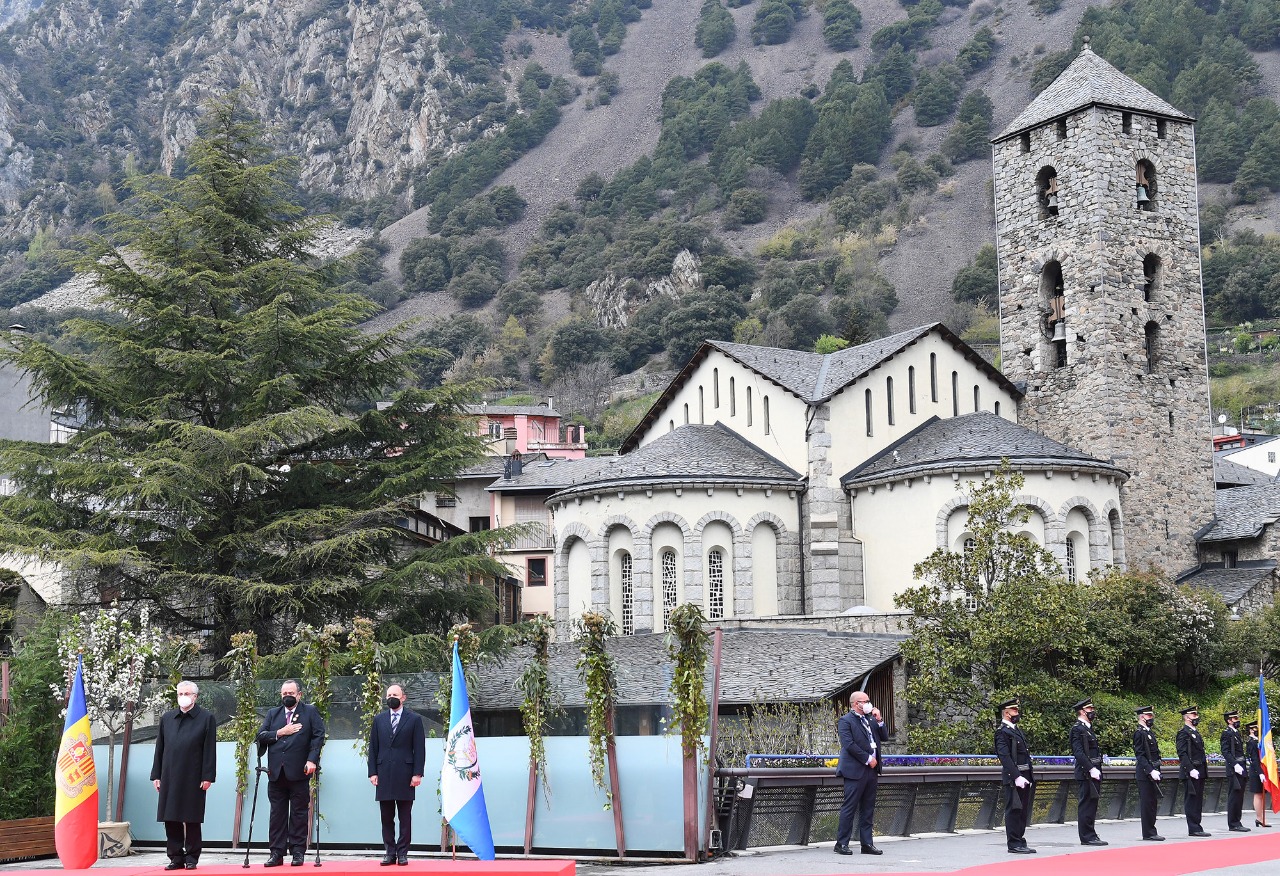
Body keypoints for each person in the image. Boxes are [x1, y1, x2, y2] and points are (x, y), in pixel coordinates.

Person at [256, 679, 326, 867]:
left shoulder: (309, 712)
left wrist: (312, 760)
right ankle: (276, 853)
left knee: (299, 813)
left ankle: (297, 852)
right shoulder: (273, 714)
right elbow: (260, 736)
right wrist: (280, 732)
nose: (287, 696)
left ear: (299, 695)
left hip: (299, 771)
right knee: (277, 814)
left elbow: (318, 736)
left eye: (291, 693)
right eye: (284, 693)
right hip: (276, 773)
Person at [151, 681, 217, 870]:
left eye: (187, 693)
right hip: (169, 774)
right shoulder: (167, 718)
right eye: (180, 693)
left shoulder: (206, 718)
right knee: (170, 816)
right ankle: (175, 857)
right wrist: (157, 775)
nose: (183, 697)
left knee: (192, 817)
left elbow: (209, 749)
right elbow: (160, 748)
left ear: (195, 696)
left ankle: (192, 857)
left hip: (193, 775)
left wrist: (208, 776)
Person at [368, 684, 426, 866]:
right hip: (384, 773)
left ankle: (402, 853)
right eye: (389, 694)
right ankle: (389, 852)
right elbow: (373, 748)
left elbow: (420, 749)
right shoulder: (379, 720)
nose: (391, 697)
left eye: (395, 694)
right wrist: (372, 772)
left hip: (406, 774)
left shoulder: (414, 719)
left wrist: (417, 773)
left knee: (405, 817)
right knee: (386, 816)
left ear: (403, 698)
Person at [833, 690, 888, 856]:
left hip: (871, 770)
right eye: (866, 701)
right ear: (856, 704)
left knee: (868, 808)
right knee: (849, 807)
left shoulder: (871, 719)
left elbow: (883, 737)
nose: (869, 703)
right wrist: (867, 758)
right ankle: (841, 843)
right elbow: (848, 744)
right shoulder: (845, 720)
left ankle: (867, 844)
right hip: (855, 770)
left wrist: (879, 720)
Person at [994, 697, 1035, 854]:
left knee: (1023, 810)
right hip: (1014, 778)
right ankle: (1013, 843)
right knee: (1013, 810)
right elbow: (1005, 757)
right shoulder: (1002, 732)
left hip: (1024, 776)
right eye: (1014, 710)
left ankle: (1020, 839)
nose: (1017, 713)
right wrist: (1016, 776)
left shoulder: (1015, 730)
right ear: (1006, 713)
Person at [1069, 697, 1107, 846]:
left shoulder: (1087, 729)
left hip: (1094, 770)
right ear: (1082, 711)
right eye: (1090, 709)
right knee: (1086, 804)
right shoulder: (1077, 729)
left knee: (1092, 803)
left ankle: (1091, 833)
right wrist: (1090, 768)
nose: (1092, 711)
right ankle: (1086, 836)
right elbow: (1078, 753)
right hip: (1086, 772)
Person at [1176, 704, 1210, 837]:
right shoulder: (1183, 733)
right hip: (1191, 771)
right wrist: (1190, 769)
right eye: (1194, 715)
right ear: (1186, 717)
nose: (1197, 717)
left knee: (1198, 800)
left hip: (1200, 769)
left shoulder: (1195, 733)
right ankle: (1193, 827)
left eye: (1196, 714)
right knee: (1191, 800)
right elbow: (1182, 753)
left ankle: (1197, 825)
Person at [1133, 705, 1164, 841]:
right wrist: (1150, 770)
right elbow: (1140, 755)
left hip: (1153, 771)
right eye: (1149, 716)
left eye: (1152, 715)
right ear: (1142, 717)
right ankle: (1148, 832)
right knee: (1147, 803)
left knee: (1152, 803)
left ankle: (1152, 830)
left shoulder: (1149, 732)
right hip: (1145, 773)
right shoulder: (1139, 733)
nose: (1151, 718)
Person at [1221, 710, 1250, 832]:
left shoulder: (1236, 733)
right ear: (1229, 721)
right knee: (1234, 796)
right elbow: (1225, 751)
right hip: (1234, 769)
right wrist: (1234, 765)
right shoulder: (1227, 733)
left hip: (1241, 766)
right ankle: (1233, 823)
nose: (1237, 720)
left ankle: (1237, 821)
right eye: (1235, 718)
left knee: (1239, 796)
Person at [1246, 719, 1271, 828]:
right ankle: (1259, 818)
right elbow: (1254, 759)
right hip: (1256, 770)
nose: (1258, 730)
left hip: (1262, 769)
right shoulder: (1251, 742)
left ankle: (1261, 818)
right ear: (1251, 730)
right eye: (1255, 728)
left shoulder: (1259, 741)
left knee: (1262, 795)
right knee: (1257, 794)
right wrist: (1260, 772)